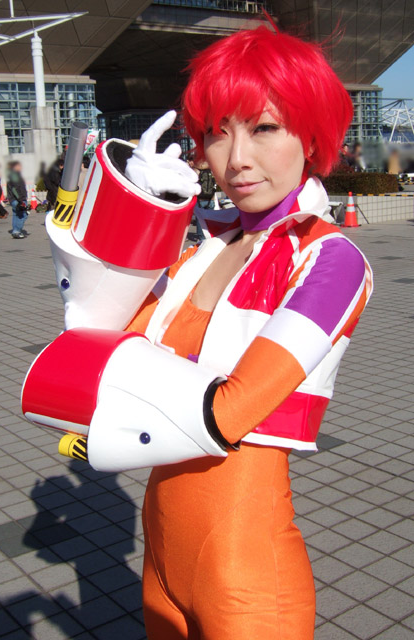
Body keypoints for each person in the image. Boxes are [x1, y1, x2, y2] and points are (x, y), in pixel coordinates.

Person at [121, 24, 373, 640]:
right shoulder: (203, 249)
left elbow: (228, 413)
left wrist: (112, 417)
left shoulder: (330, 260)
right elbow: (95, 344)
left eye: (263, 128)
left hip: (246, 573)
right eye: (216, 131)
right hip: (160, 556)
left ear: (310, 136)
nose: (235, 159)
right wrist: (132, 214)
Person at [7, 161, 28, 239]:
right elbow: (15, 189)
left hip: (14, 199)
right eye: (19, 166)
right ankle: (17, 230)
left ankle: (15, 230)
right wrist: (20, 200)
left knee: (16, 214)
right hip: (17, 199)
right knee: (22, 214)